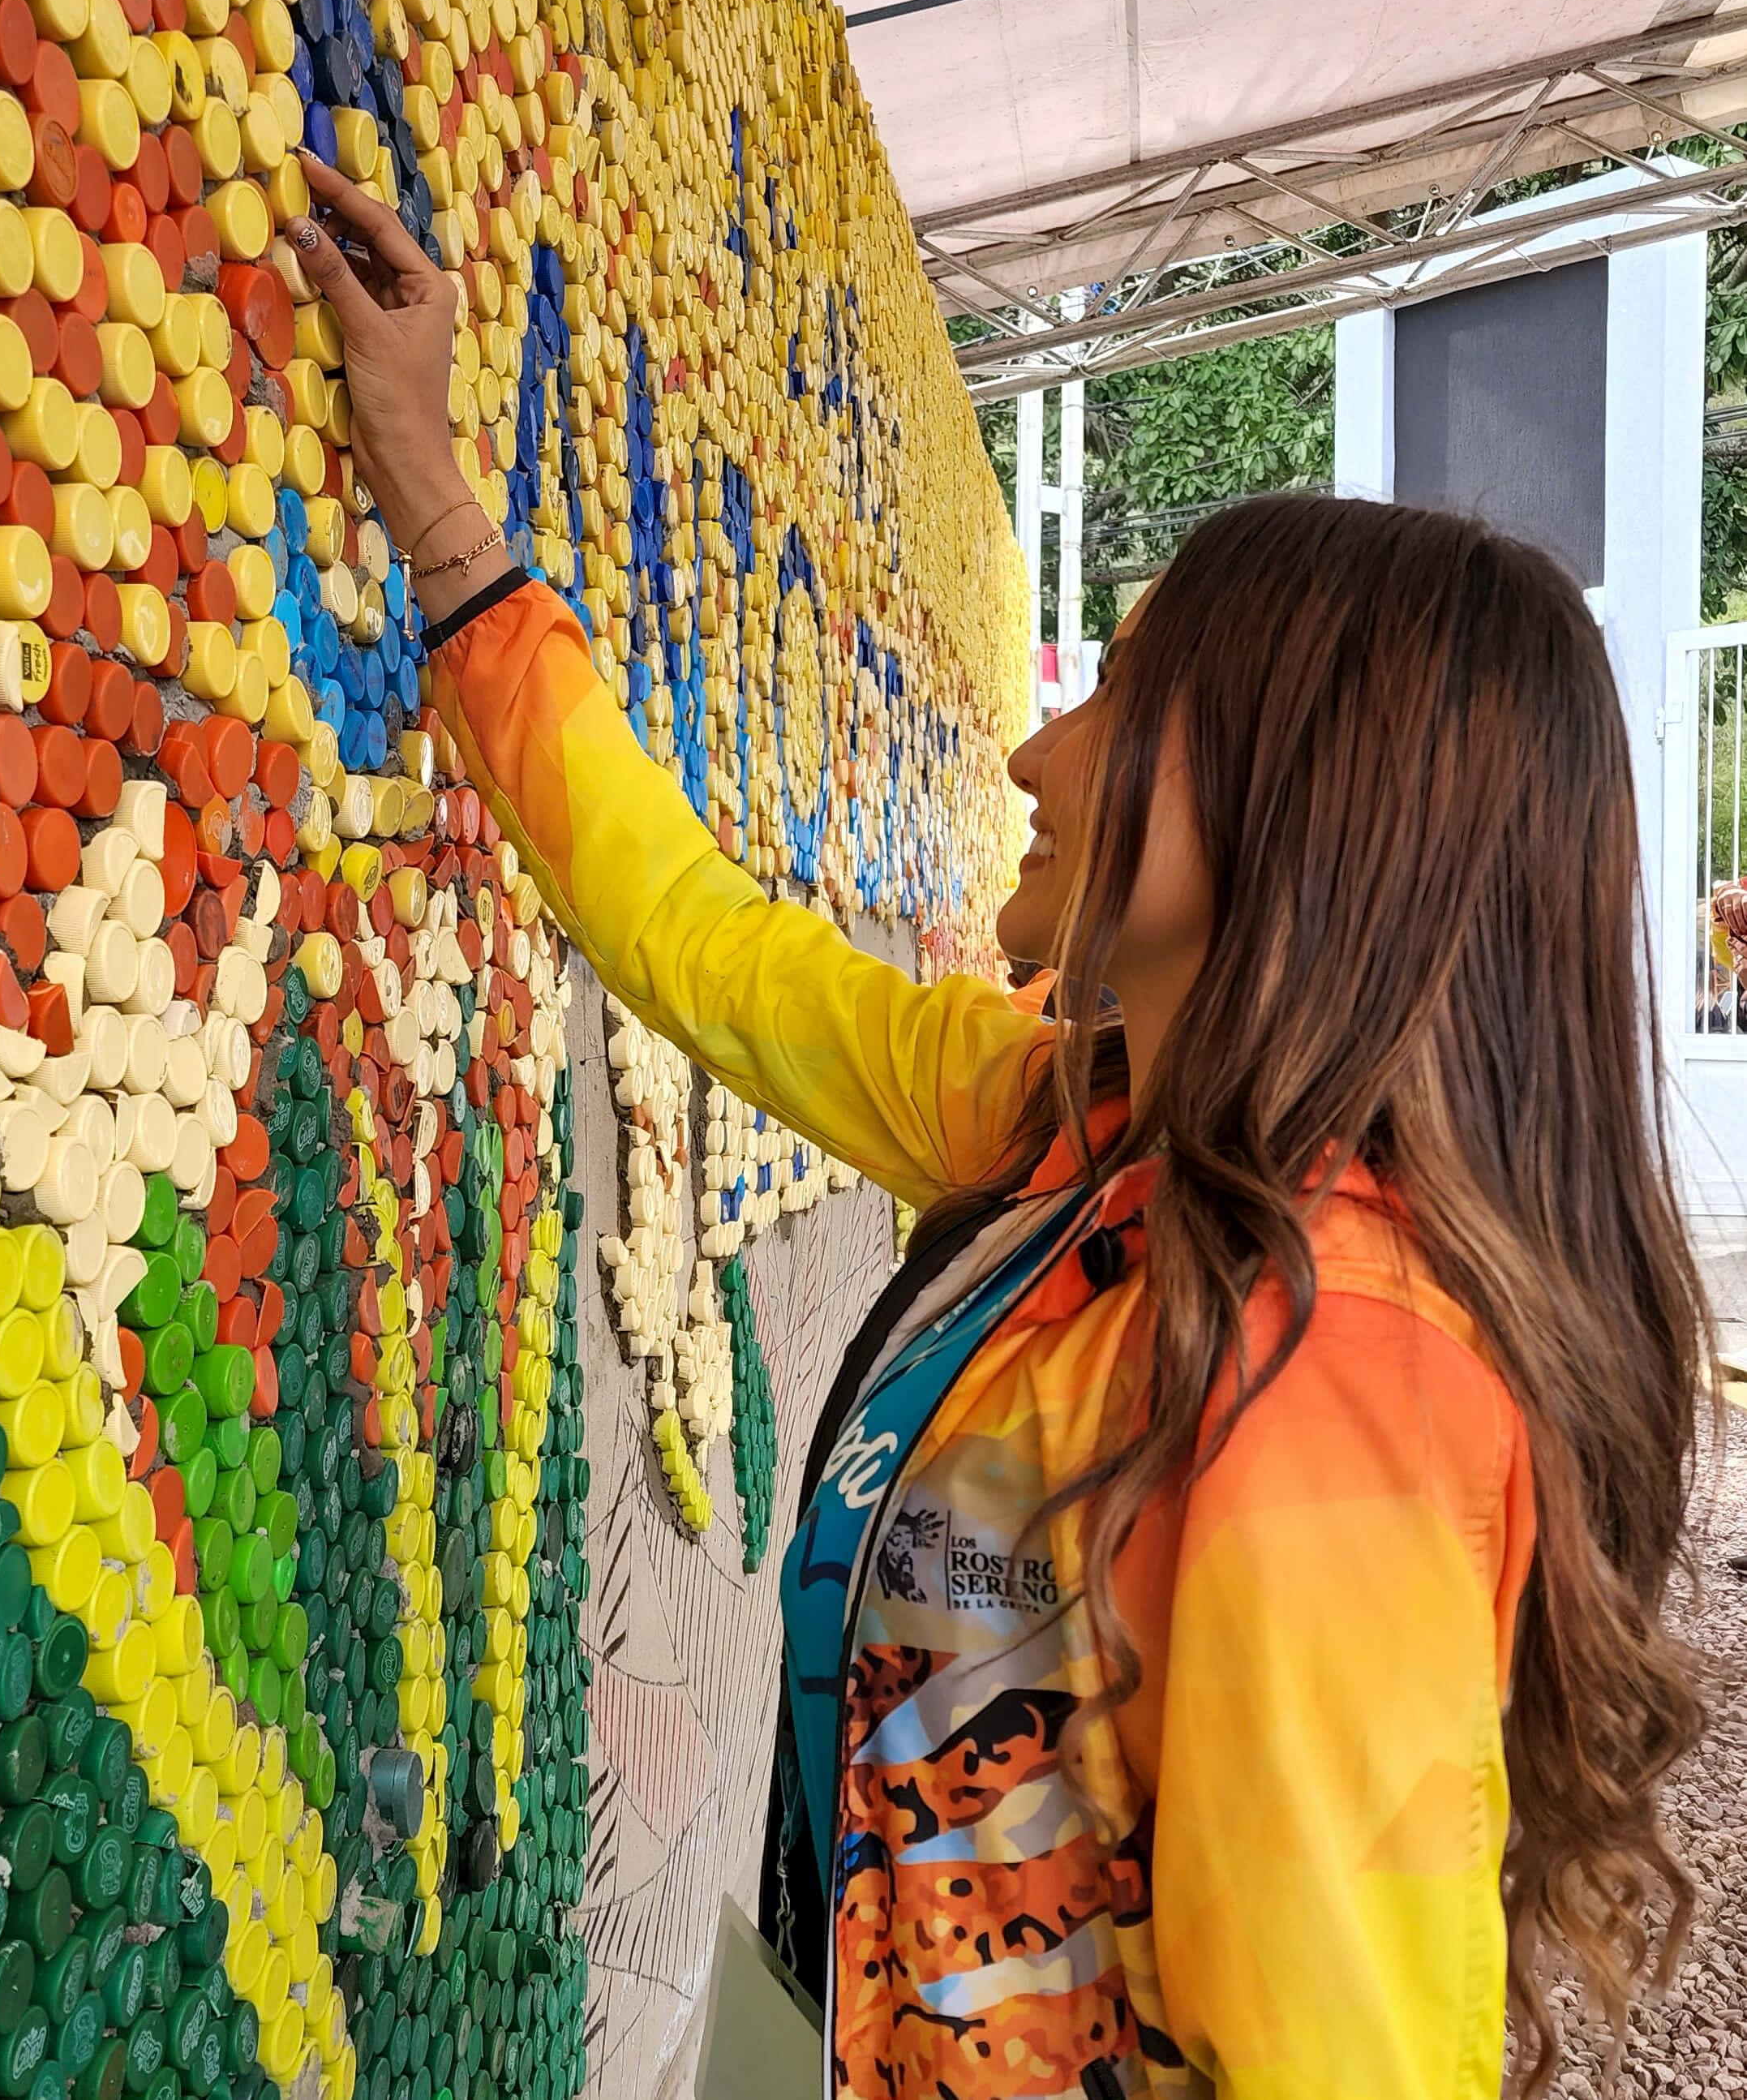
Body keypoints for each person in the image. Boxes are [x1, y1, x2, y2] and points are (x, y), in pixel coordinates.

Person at [282, 159, 1712, 2100]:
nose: (1037, 752)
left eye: (1122, 697)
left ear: (1310, 807)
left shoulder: (1338, 1375)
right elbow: (706, 945)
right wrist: (434, 502)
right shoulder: (1086, 1140)